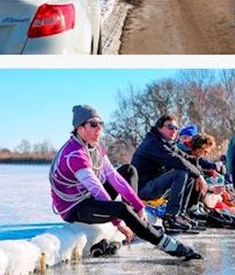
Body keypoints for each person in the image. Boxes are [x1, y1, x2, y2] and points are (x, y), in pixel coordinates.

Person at [50, 106, 201, 260]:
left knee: (128, 170)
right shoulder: (74, 155)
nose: (99, 129)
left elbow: (114, 178)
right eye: (93, 124)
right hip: (75, 208)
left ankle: (135, 222)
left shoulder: (96, 147)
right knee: (121, 208)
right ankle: (167, 244)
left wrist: (139, 206)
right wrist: (119, 224)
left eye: (101, 124)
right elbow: (97, 190)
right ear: (79, 128)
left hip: (87, 196)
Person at [131, 114, 208, 233]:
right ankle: (171, 217)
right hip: (143, 189)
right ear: (159, 128)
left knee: (189, 173)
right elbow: (176, 160)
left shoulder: (165, 143)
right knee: (180, 172)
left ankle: (180, 215)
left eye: (176, 128)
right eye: (170, 127)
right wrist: (198, 175)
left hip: (153, 185)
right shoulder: (153, 143)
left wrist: (200, 174)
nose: (174, 131)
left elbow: (187, 158)